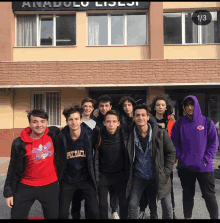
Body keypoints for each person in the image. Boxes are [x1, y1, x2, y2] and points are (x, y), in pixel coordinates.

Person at [3, 109, 64, 219]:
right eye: (35, 121)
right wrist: (8, 193)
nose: (39, 125)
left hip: (50, 185)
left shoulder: (54, 135)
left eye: (42, 121)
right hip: (26, 185)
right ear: (30, 123)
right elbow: (12, 167)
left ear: (47, 122)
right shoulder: (19, 142)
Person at [171, 95, 219, 219]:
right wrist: (181, 157)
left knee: (209, 196)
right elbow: (174, 143)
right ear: (184, 107)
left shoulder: (207, 122)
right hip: (185, 168)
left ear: (196, 105)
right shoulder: (179, 123)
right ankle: (187, 218)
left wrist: (206, 160)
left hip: (205, 167)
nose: (189, 107)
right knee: (187, 195)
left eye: (192, 104)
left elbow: (214, 143)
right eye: (187, 105)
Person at [127, 104, 176, 219]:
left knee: (168, 209)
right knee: (132, 205)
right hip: (139, 176)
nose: (140, 118)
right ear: (133, 117)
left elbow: (171, 152)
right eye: (137, 115)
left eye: (143, 115)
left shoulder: (160, 133)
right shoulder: (129, 135)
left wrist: (166, 171)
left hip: (159, 174)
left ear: (148, 117)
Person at [57, 105, 99, 219]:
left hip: (86, 179)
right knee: (62, 214)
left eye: (76, 119)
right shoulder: (60, 137)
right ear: (66, 121)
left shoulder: (90, 135)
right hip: (67, 180)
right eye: (70, 119)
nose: (74, 122)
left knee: (94, 212)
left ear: (81, 120)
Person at [93, 110, 129, 219]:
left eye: (114, 121)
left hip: (120, 175)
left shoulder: (124, 134)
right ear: (104, 123)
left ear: (118, 123)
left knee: (123, 204)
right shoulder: (98, 134)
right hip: (103, 175)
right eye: (108, 121)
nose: (111, 124)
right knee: (103, 205)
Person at [149, 93, 176, 219]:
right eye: (158, 105)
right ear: (154, 107)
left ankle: (172, 212)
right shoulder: (149, 120)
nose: (160, 107)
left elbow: (175, 140)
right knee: (152, 188)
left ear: (166, 107)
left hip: (166, 160)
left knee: (168, 188)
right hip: (152, 158)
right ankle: (153, 213)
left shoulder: (171, 121)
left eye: (162, 105)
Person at [92, 95, 120, 219]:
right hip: (102, 169)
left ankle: (114, 210)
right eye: (101, 106)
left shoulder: (119, 124)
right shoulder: (96, 123)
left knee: (115, 194)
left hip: (117, 169)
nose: (104, 108)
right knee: (102, 202)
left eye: (106, 106)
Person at [71, 98, 96, 219]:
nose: (87, 108)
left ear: (92, 109)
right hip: (77, 161)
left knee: (88, 197)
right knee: (76, 197)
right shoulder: (76, 122)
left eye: (90, 106)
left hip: (90, 161)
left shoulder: (95, 123)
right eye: (85, 106)